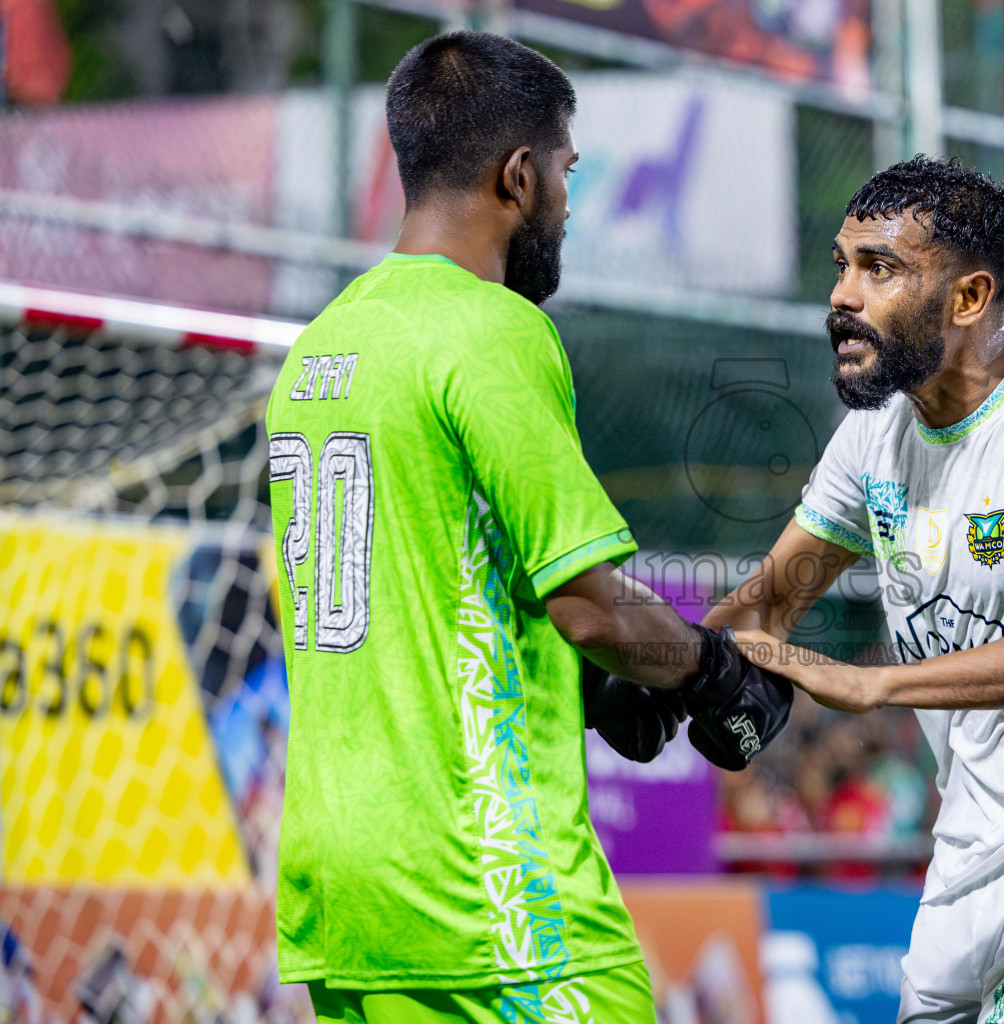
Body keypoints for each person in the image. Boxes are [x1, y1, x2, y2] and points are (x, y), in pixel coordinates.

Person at [265, 32, 790, 1024]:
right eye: (566, 174)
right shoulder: (494, 328)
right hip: (487, 885)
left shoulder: (323, 344)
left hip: (346, 894)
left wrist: (585, 683)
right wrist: (711, 671)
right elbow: (589, 603)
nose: (565, 204)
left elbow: (432, 588)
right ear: (518, 175)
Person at [705, 156, 1004, 1022]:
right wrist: (667, 667)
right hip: (965, 853)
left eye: (880, 269)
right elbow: (757, 611)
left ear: (970, 299)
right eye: (841, 265)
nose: (843, 297)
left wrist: (876, 685)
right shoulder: (871, 441)